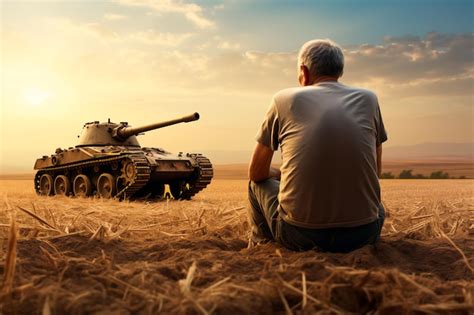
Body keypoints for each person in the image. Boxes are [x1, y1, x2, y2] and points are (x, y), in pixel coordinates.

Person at [247, 39, 388, 253]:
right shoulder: (369, 99)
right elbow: (375, 171)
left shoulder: (283, 99)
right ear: (340, 70)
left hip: (299, 236)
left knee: (255, 185)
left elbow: (256, 172)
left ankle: (263, 246)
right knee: (375, 206)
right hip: (364, 234)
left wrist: (282, 173)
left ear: (303, 71)